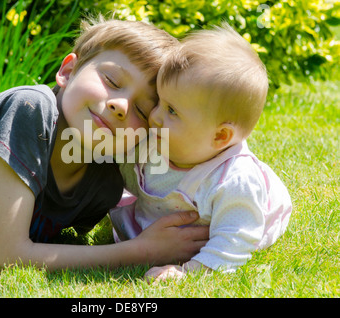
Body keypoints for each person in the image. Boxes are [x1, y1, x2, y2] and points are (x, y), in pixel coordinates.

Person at [0, 17, 209, 270]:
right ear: (68, 70)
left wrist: (5, 231)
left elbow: (12, 245)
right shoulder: (31, 109)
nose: (120, 106)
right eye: (111, 81)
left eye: (141, 109)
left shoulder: (103, 185)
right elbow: (6, 256)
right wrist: (139, 251)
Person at [109, 23, 292, 280]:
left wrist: (188, 272)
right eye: (159, 101)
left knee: (238, 225)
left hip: (245, 218)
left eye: (172, 111)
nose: (156, 116)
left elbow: (234, 241)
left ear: (220, 136)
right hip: (159, 223)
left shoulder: (233, 182)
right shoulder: (153, 141)